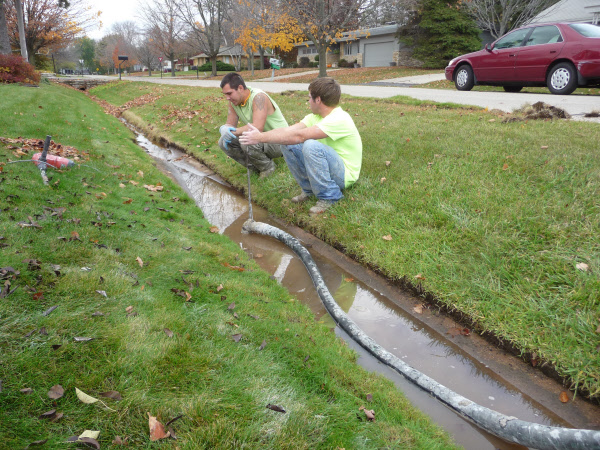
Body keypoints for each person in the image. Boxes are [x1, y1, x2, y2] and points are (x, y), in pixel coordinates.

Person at [240, 77, 362, 215]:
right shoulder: (314, 117)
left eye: (310, 97)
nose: (308, 101)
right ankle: (309, 190)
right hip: (330, 166)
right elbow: (287, 131)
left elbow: (300, 137)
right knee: (287, 143)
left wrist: (260, 137)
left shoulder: (339, 118)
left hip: (344, 175)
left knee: (310, 145)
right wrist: (260, 136)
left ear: (318, 100)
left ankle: (330, 196)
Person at [218, 72, 288, 178]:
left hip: (281, 141)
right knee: (223, 142)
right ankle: (254, 167)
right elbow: (230, 124)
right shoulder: (234, 102)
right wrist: (224, 129)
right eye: (225, 94)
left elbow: (257, 126)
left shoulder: (259, 97)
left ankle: (268, 168)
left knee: (247, 141)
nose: (227, 97)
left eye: (229, 93)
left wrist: (231, 131)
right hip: (262, 138)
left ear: (240, 88)